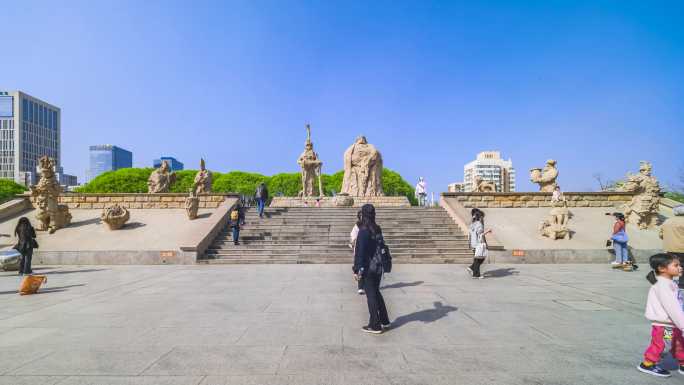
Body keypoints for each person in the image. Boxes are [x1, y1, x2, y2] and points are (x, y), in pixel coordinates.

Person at [637, 253, 684, 378]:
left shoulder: (667, 283)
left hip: (672, 323)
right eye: (676, 265)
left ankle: (682, 362)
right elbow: (672, 307)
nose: (680, 267)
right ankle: (647, 363)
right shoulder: (663, 286)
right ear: (662, 268)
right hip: (665, 324)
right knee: (660, 344)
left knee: (679, 343)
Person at [353, 204, 390, 334]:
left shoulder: (363, 230)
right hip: (378, 266)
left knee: (371, 295)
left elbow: (360, 252)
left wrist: (357, 269)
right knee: (376, 292)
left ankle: (375, 325)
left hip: (368, 268)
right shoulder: (377, 228)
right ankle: (384, 320)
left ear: (363, 215)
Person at [467, 210, 492, 279]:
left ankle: (474, 272)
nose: (483, 218)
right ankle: (474, 272)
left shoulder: (472, 224)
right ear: (480, 217)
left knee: (477, 259)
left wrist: (469, 243)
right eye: (482, 217)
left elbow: (469, 234)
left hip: (473, 243)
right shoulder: (479, 224)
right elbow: (480, 235)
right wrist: (488, 231)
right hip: (478, 244)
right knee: (480, 259)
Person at [350, 211, 364, 295]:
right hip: (359, 250)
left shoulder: (370, 224)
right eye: (361, 216)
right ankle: (361, 286)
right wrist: (352, 243)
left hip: (368, 250)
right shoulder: (357, 226)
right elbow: (353, 237)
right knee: (360, 268)